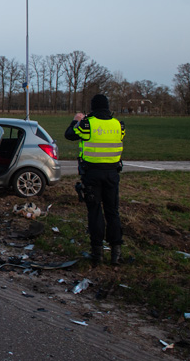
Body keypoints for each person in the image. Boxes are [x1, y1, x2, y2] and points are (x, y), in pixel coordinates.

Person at [65, 94, 126, 266]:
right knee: (113, 212)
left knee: (95, 212)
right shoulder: (119, 125)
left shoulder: (87, 124)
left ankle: (97, 253)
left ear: (92, 108)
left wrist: (76, 120)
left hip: (92, 174)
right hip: (112, 174)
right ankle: (116, 252)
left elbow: (69, 135)